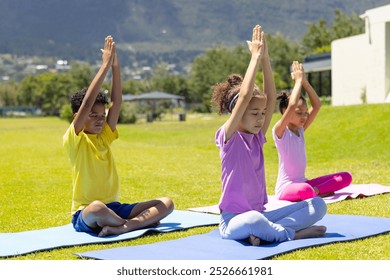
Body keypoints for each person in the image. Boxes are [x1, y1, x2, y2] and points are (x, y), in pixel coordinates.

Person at [211, 25, 327, 246]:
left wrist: (265, 58)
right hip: (233, 221)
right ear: (237, 113)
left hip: (261, 215)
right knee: (254, 220)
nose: (260, 118)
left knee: (317, 205)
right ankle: (290, 234)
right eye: (254, 113)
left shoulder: (256, 138)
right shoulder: (228, 137)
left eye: (262, 113)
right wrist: (254, 58)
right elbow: (244, 96)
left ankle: (268, 233)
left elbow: (271, 98)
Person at [63, 35, 174, 237]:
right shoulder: (75, 139)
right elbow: (87, 103)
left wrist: (115, 65)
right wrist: (104, 66)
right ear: (77, 117)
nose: (99, 119)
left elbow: (116, 102)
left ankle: (125, 226)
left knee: (166, 203)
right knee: (97, 207)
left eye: (102, 115)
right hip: (85, 213)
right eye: (93, 116)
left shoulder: (104, 135)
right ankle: (131, 223)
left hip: (115, 208)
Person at [272, 61, 352, 202]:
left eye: (305, 113)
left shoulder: (300, 129)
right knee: (304, 190)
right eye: (299, 113)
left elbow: (317, 105)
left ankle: (315, 192)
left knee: (345, 177)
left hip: (305, 183)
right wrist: (297, 82)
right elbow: (291, 105)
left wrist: (304, 82)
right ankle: (316, 192)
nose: (304, 116)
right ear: (285, 112)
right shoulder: (280, 132)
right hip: (287, 188)